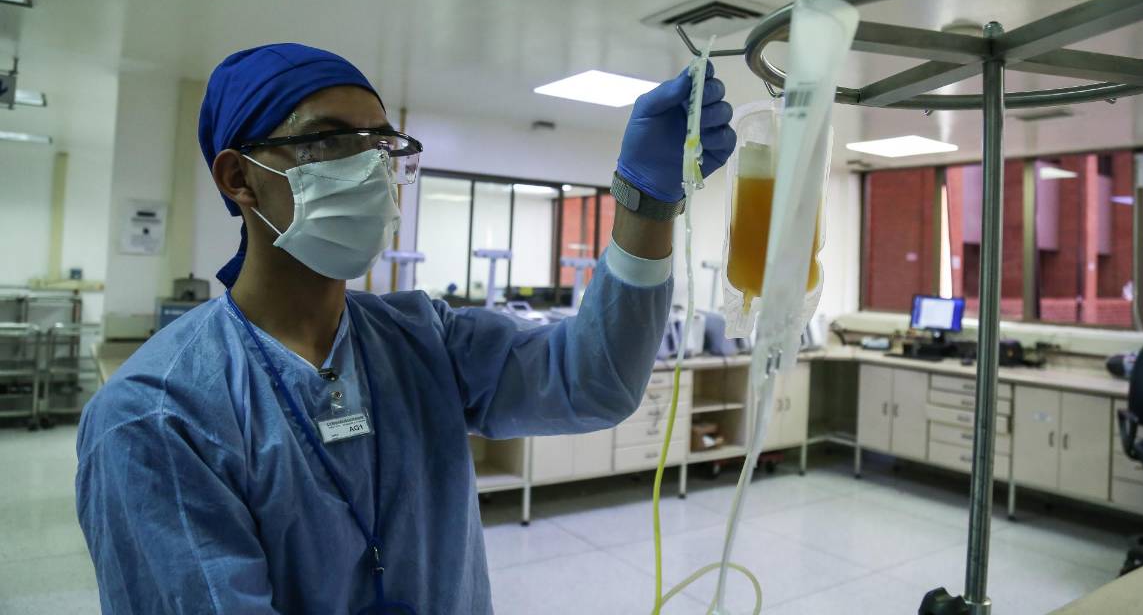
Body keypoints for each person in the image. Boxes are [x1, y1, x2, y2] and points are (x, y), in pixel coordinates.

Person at [75, 43, 735, 614]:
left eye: (382, 145)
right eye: (330, 141)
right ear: (239, 177)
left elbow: (593, 382)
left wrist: (648, 203)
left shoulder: (422, 338)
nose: (371, 168)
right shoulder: (157, 417)